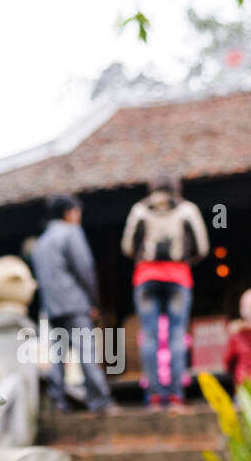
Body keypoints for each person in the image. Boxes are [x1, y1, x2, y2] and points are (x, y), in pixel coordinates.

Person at [121, 175, 209, 409]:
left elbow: (128, 247)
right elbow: (202, 247)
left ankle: (154, 394)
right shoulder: (187, 210)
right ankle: (176, 394)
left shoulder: (140, 210)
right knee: (177, 336)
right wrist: (183, 262)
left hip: (146, 276)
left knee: (149, 336)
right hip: (178, 275)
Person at [29, 193, 117, 413]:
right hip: (75, 302)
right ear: (69, 213)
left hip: (52, 306)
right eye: (77, 211)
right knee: (86, 353)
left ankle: (57, 401)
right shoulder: (71, 233)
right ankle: (100, 401)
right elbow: (84, 268)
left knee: (58, 356)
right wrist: (94, 300)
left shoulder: (40, 244)